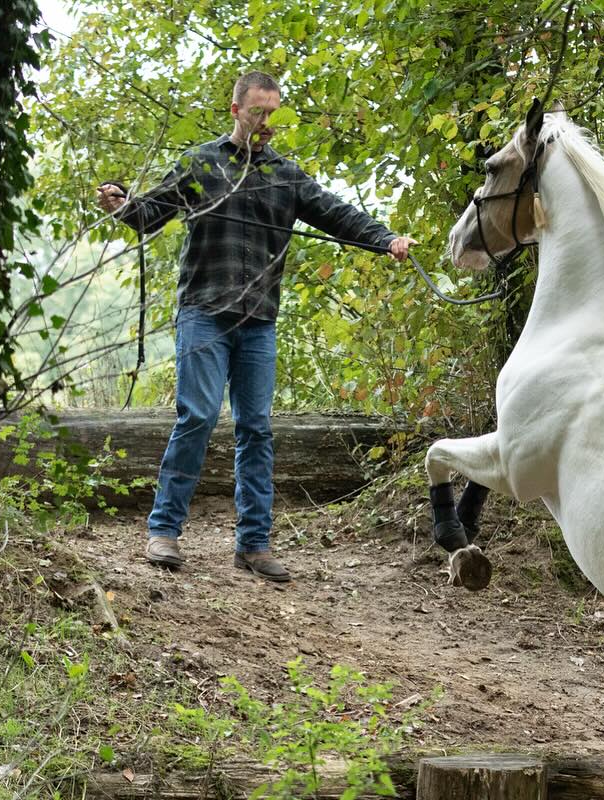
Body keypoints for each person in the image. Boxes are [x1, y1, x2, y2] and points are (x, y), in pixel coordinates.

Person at [97, 70, 414, 582]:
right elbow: (149, 214)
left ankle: (254, 544)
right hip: (203, 312)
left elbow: (336, 213)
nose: (266, 123)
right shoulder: (201, 163)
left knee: (256, 429)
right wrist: (120, 204)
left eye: (273, 114)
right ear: (236, 110)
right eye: (257, 112)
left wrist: (386, 239)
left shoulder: (286, 175)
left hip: (258, 323)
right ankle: (164, 531)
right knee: (197, 417)